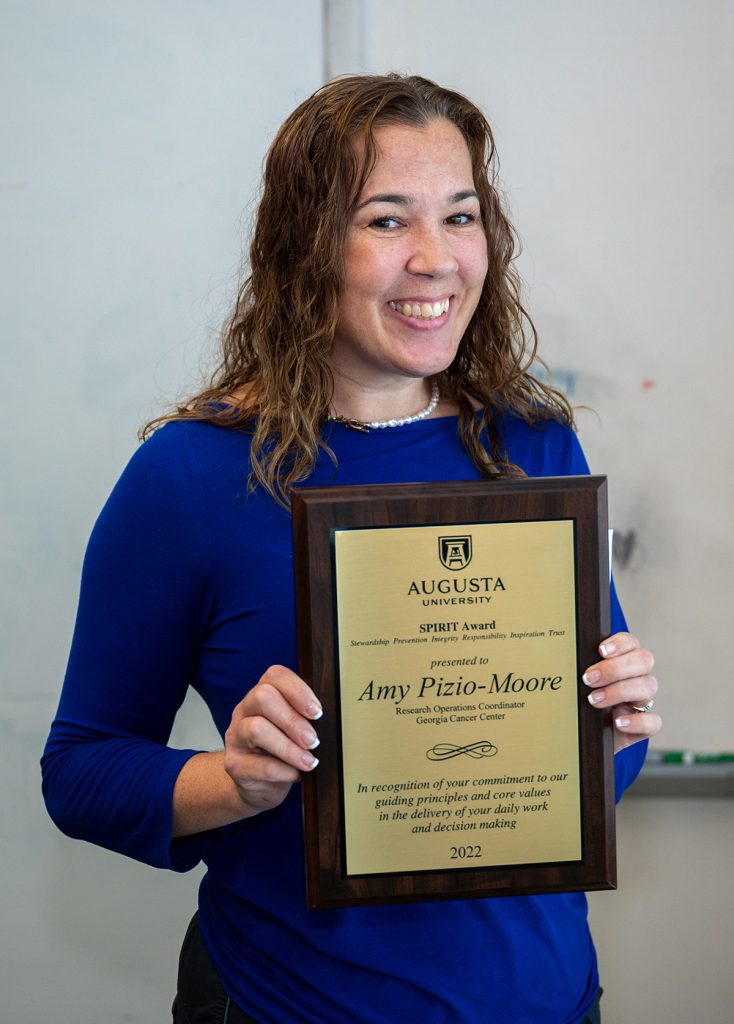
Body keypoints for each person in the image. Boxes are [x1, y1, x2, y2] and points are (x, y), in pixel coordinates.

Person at [42, 73, 661, 1024]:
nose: (436, 259)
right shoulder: (192, 477)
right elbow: (81, 770)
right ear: (305, 247)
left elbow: (579, 778)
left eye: (461, 216)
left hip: (551, 1001)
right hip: (287, 1004)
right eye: (384, 221)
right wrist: (232, 780)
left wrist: (611, 734)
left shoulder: (532, 444)